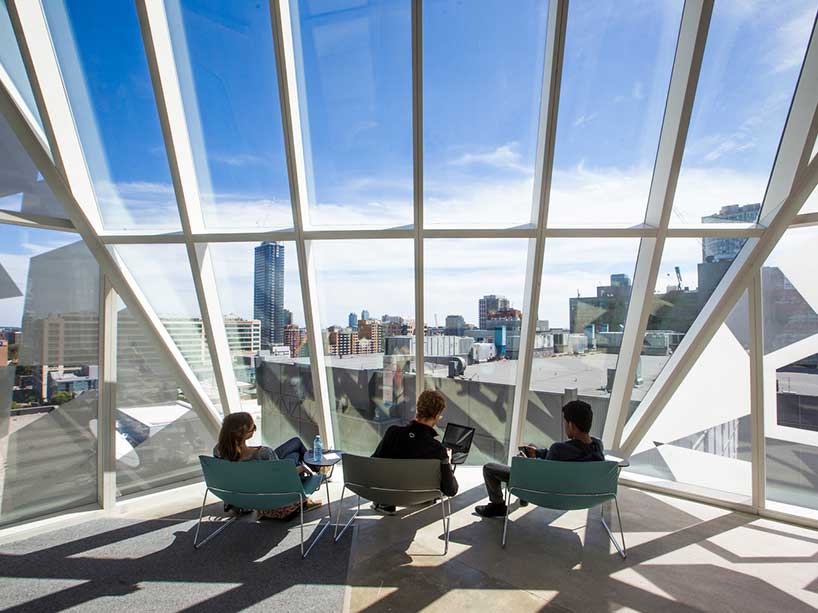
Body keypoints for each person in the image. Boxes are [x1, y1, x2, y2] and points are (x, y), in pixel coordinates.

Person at [475, 400, 604, 518]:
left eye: (565, 422)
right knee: (531, 455)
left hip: (545, 492)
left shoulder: (558, 449)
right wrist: (537, 453)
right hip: (578, 495)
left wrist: (525, 462)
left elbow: (542, 474)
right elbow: (562, 457)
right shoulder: (597, 447)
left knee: (489, 468)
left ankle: (498, 505)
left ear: (571, 425)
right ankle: (521, 496)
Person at [214, 412, 320, 516]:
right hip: (271, 495)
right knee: (295, 456)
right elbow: (282, 477)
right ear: (245, 434)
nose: (254, 430)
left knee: (295, 443)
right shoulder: (263, 453)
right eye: (253, 428)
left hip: (241, 496)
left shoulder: (218, 451)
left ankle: (315, 467)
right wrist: (301, 468)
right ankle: (314, 473)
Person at [371, 389, 459, 514]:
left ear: (418, 409)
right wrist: (447, 463)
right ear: (436, 415)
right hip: (422, 498)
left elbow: (374, 463)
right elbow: (451, 490)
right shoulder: (438, 449)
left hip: (392, 495)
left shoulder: (393, 433)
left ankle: (385, 504)